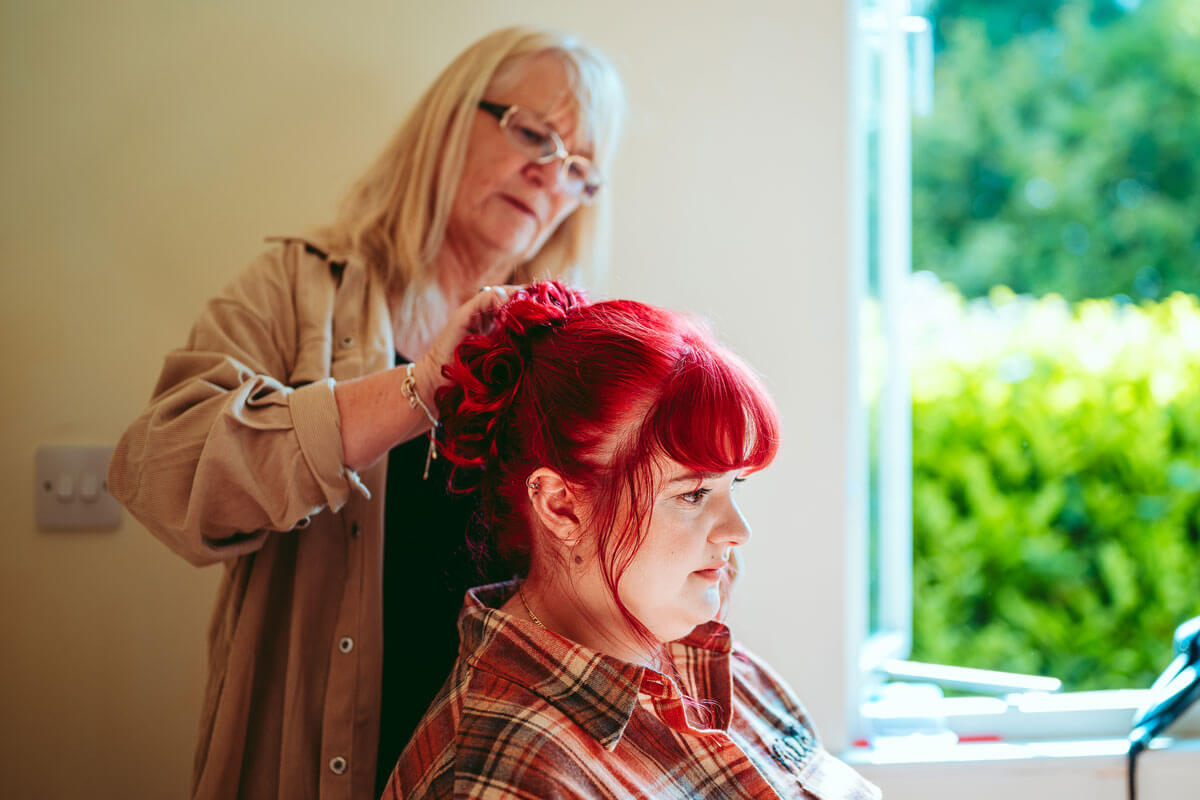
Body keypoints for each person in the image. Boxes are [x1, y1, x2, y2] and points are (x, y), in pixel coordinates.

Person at [107, 27, 625, 800]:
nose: (549, 174)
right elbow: (162, 471)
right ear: (451, 119)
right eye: (533, 133)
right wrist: (417, 388)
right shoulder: (293, 288)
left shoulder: (563, 355)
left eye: (580, 169)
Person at [383, 282, 881, 799]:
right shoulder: (510, 774)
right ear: (561, 505)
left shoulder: (707, 657)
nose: (738, 532)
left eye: (735, 485)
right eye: (692, 494)